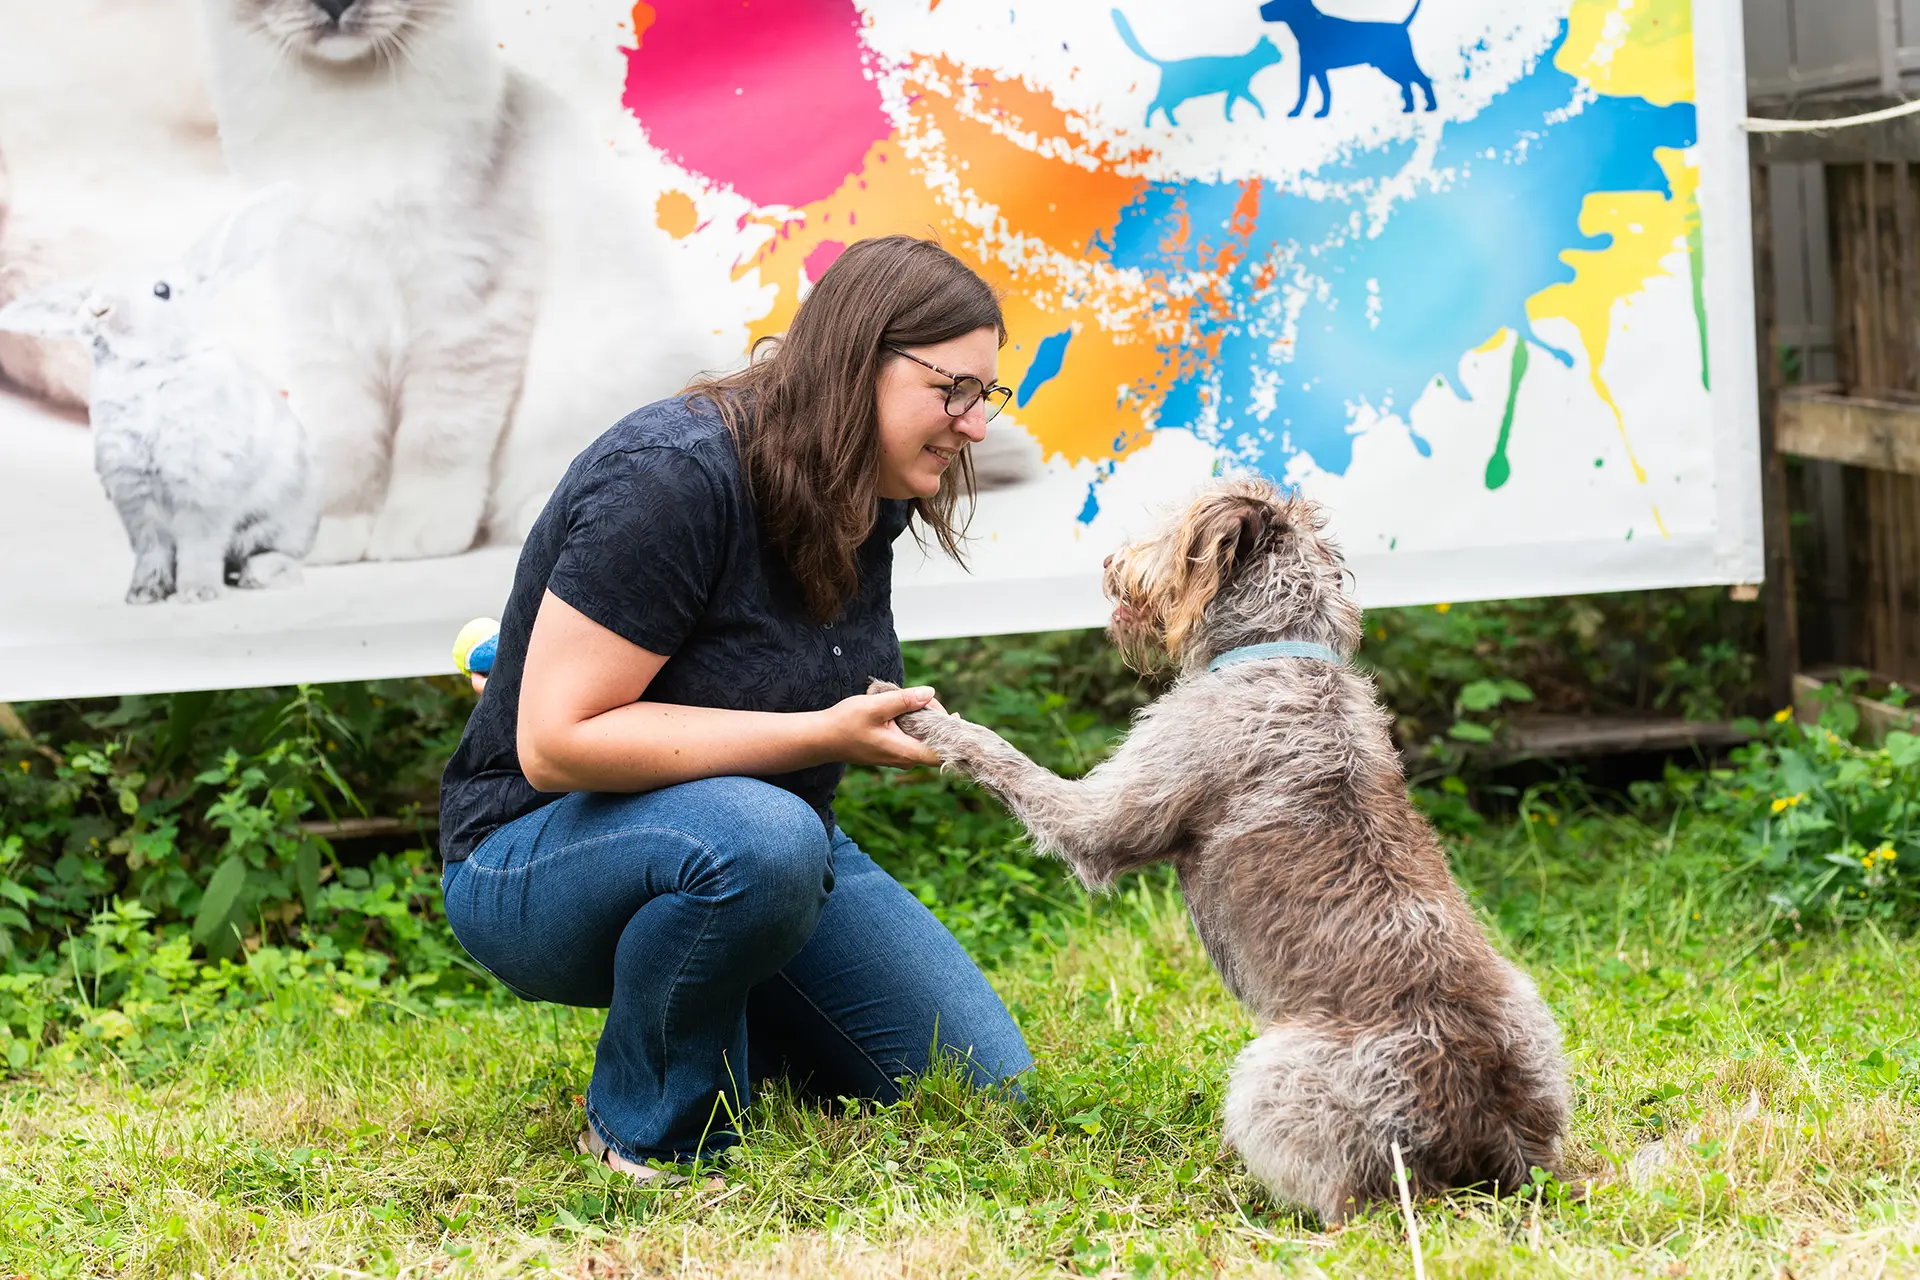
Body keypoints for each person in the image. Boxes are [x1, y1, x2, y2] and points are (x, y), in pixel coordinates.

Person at [437, 236, 1032, 1179]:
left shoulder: (859, 483)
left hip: (758, 840)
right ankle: (651, 1133)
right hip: (533, 853)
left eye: (986, 396)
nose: (974, 424)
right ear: (857, 359)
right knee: (765, 842)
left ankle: (726, 1010)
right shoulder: (671, 475)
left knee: (986, 1087)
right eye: (954, 390)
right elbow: (555, 744)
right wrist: (822, 734)